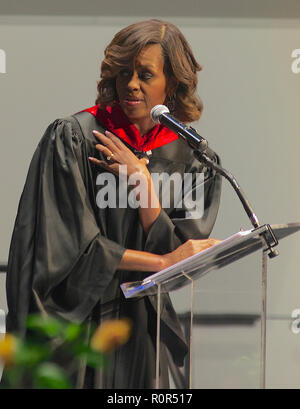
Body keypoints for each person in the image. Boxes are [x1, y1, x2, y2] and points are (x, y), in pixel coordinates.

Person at [6, 19, 222, 388]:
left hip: (143, 331)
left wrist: (143, 186)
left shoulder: (192, 157)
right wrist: (160, 262)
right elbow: (70, 248)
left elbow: (180, 255)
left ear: (172, 83)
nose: (131, 84)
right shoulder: (76, 139)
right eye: (124, 73)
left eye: (144, 74)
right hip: (78, 325)